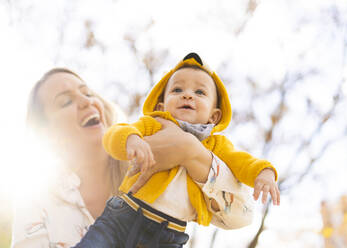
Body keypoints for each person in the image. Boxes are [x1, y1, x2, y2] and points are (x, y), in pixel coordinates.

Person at [73, 53, 280, 248]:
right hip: (124, 215)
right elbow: (115, 134)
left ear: (214, 116)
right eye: (177, 90)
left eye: (199, 92)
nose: (187, 95)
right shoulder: (153, 124)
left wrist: (265, 172)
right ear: (162, 106)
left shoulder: (216, 146)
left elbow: (242, 163)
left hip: (168, 234)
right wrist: (132, 140)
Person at [11, 68, 228, 247]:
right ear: (48, 133)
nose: (88, 102)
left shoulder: (148, 160)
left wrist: (191, 150)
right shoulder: (36, 203)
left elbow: (240, 216)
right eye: (66, 102)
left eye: (87, 93)